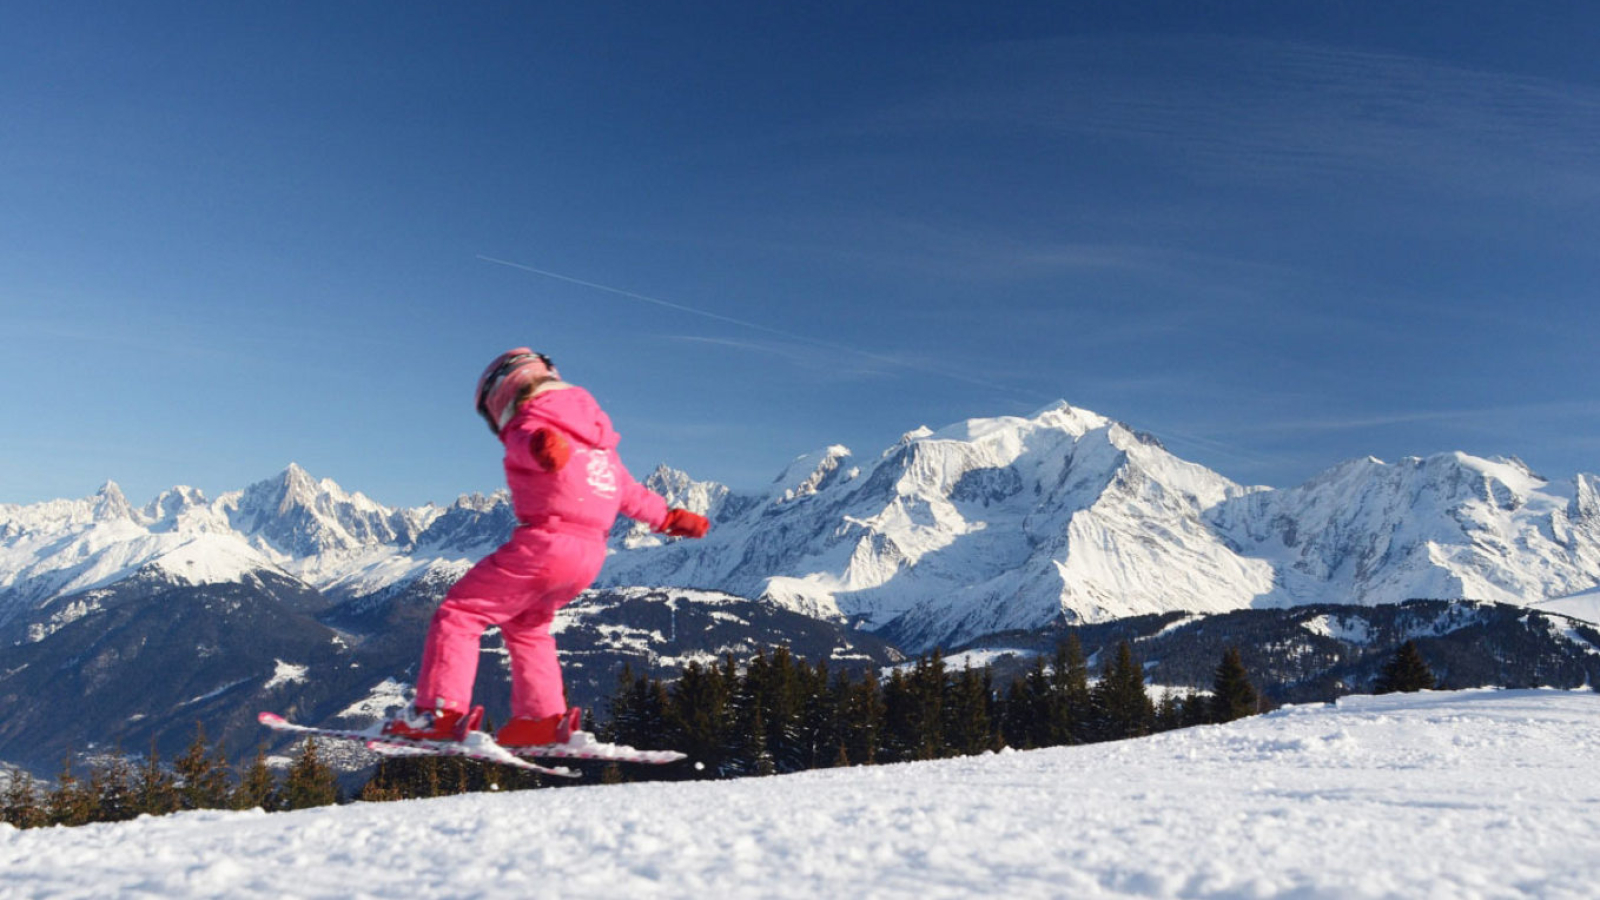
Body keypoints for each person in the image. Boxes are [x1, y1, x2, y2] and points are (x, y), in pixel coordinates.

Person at [383, 348, 709, 746]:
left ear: (503, 395)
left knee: (460, 613)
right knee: (528, 626)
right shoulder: (600, 448)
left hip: (545, 545)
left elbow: (527, 442)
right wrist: (671, 519)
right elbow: (631, 494)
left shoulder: (532, 423)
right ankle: (540, 720)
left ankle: (436, 713)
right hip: (588, 557)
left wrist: (541, 445)